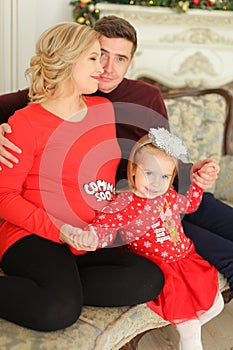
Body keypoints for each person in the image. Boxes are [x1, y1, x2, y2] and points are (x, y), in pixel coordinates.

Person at [0, 16, 233, 294]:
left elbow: (166, 151)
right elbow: (27, 115)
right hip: (133, 209)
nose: (106, 68)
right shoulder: (57, 93)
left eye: (120, 59)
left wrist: (192, 174)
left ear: (131, 62)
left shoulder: (145, 95)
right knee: (226, 253)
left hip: (167, 190)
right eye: (100, 56)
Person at [0, 21, 165, 331]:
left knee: (148, 278)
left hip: (87, 234)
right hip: (33, 234)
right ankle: (58, 293)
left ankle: (59, 286)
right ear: (66, 60)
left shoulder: (103, 109)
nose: (103, 67)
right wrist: (60, 230)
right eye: (93, 57)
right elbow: (3, 197)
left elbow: (103, 180)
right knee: (58, 311)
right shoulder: (24, 122)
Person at [67, 128, 224, 350]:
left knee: (216, 305)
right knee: (191, 331)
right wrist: (89, 235)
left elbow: (190, 205)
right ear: (133, 171)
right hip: (162, 269)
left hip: (186, 259)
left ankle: (182, 334)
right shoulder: (126, 203)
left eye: (165, 176)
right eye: (149, 173)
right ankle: (187, 339)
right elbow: (105, 225)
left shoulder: (168, 195)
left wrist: (198, 185)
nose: (156, 183)